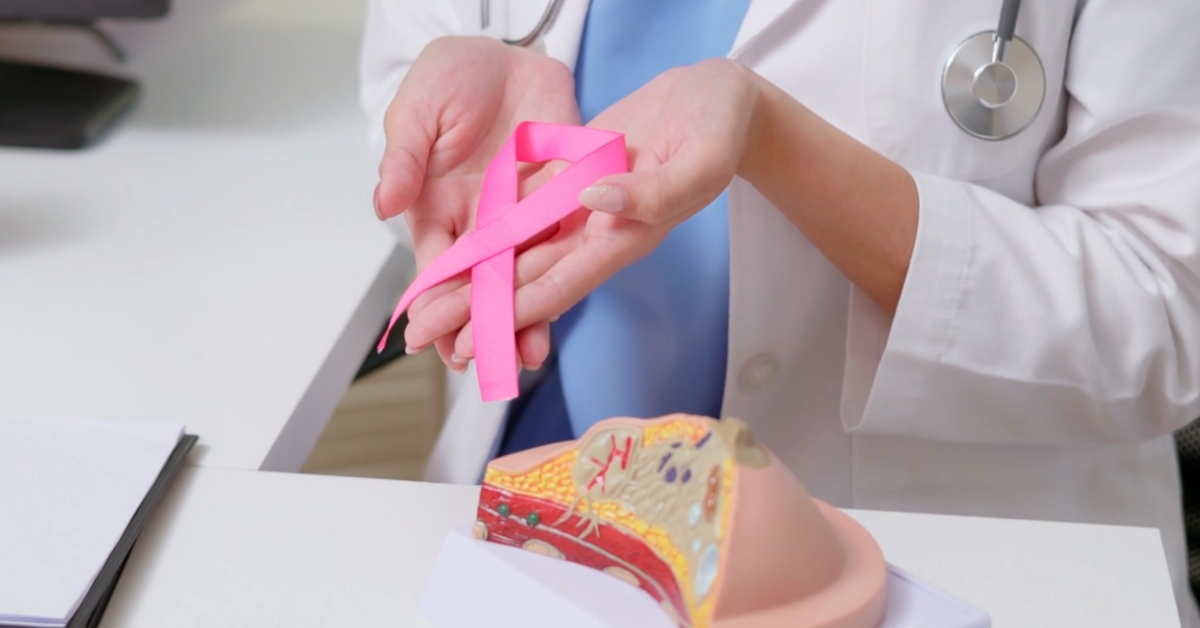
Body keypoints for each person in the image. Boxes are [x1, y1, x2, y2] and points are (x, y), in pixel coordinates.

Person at [360, 1, 1200, 623]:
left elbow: (1163, 310)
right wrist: (448, 130)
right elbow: (417, 61)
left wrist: (778, 146)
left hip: (944, 548)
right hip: (550, 513)